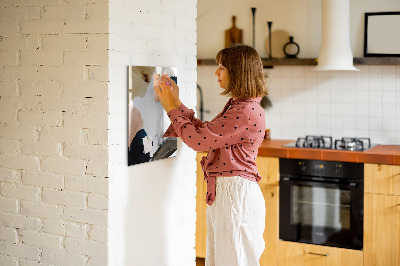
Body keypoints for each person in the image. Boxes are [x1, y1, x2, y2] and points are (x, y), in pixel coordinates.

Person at [155, 44, 267, 266]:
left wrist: (170, 108)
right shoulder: (240, 106)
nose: (217, 73)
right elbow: (206, 133)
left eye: (222, 67)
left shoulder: (244, 111)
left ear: (238, 72)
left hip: (235, 197)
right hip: (230, 195)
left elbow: (198, 141)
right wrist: (177, 104)